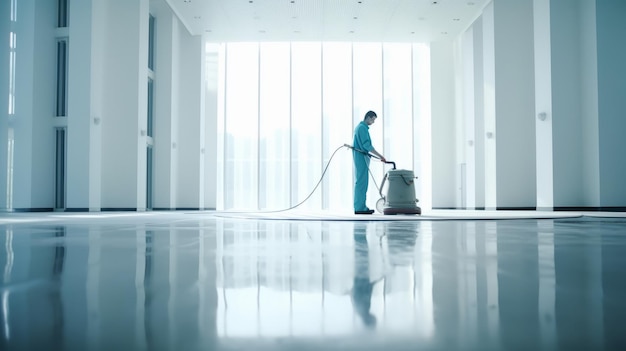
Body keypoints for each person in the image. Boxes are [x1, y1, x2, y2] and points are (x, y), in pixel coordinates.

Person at [352, 110, 386, 215]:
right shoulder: (362, 128)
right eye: (373, 119)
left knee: (362, 182)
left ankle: (361, 206)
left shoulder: (361, 127)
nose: (373, 122)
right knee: (362, 183)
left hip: (361, 157)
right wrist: (381, 156)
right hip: (361, 158)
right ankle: (360, 208)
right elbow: (367, 145)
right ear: (368, 117)